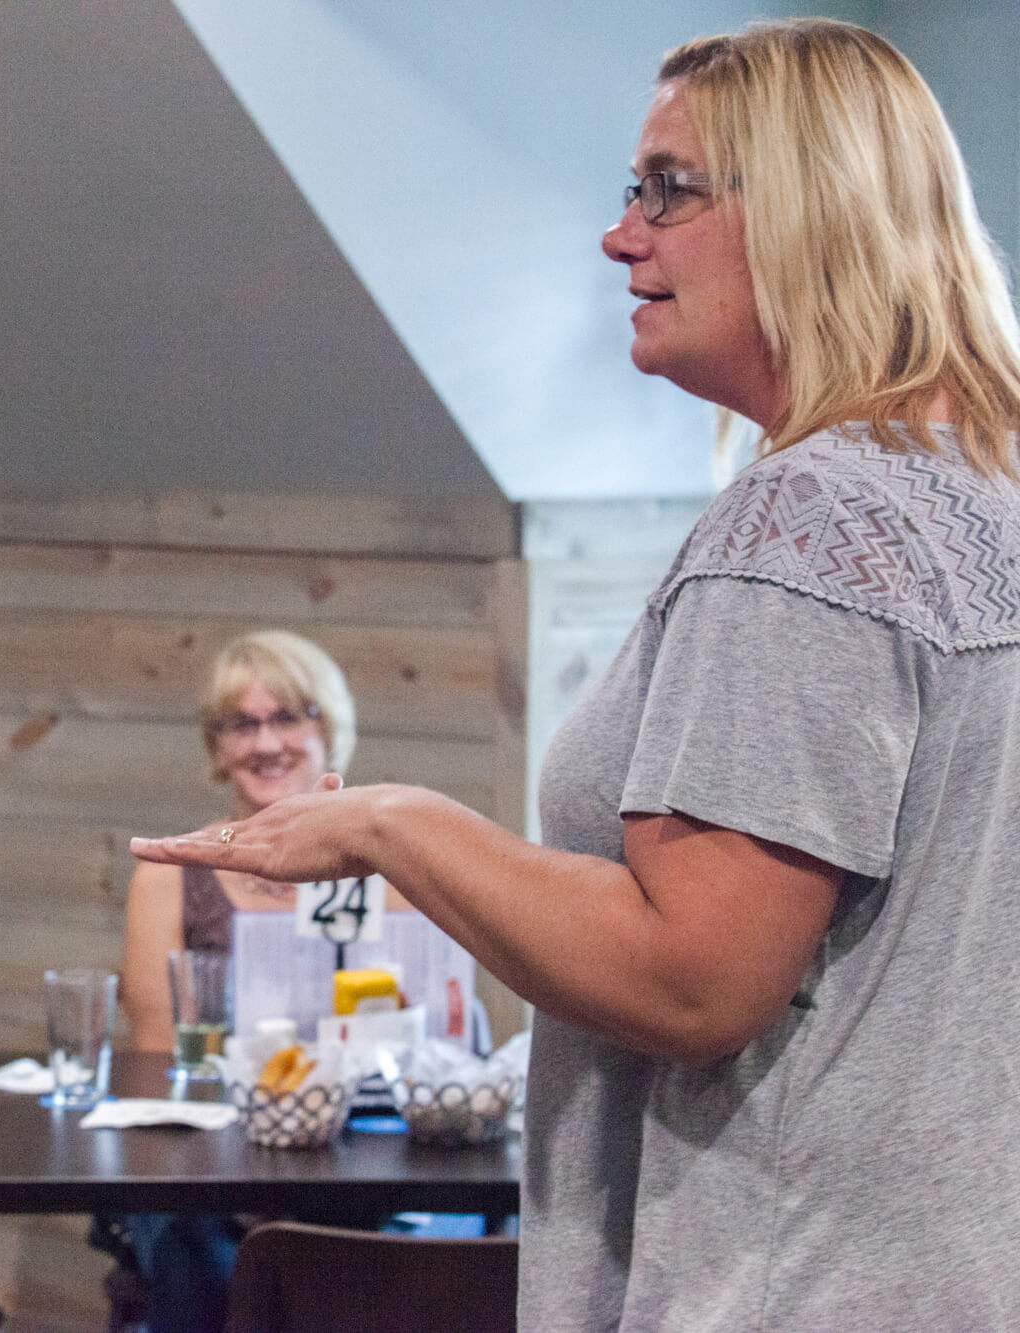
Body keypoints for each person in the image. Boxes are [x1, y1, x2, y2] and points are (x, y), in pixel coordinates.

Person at [133, 19, 1020, 1329]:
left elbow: (692, 976)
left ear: (814, 205)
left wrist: (394, 822)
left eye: (669, 189)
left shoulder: (811, 523)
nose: (620, 236)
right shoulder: (984, 493)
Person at [112, 630, 407, 1333]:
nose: (266, 742)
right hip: (208, 1171)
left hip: (359, 1163)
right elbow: (159, 1058)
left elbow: (420, 1036)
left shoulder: (390, 868)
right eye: (242, 724)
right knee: (206, 1252)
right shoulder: (170, 874)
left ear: (329, 731)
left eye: (288, 717)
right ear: (217, 746)